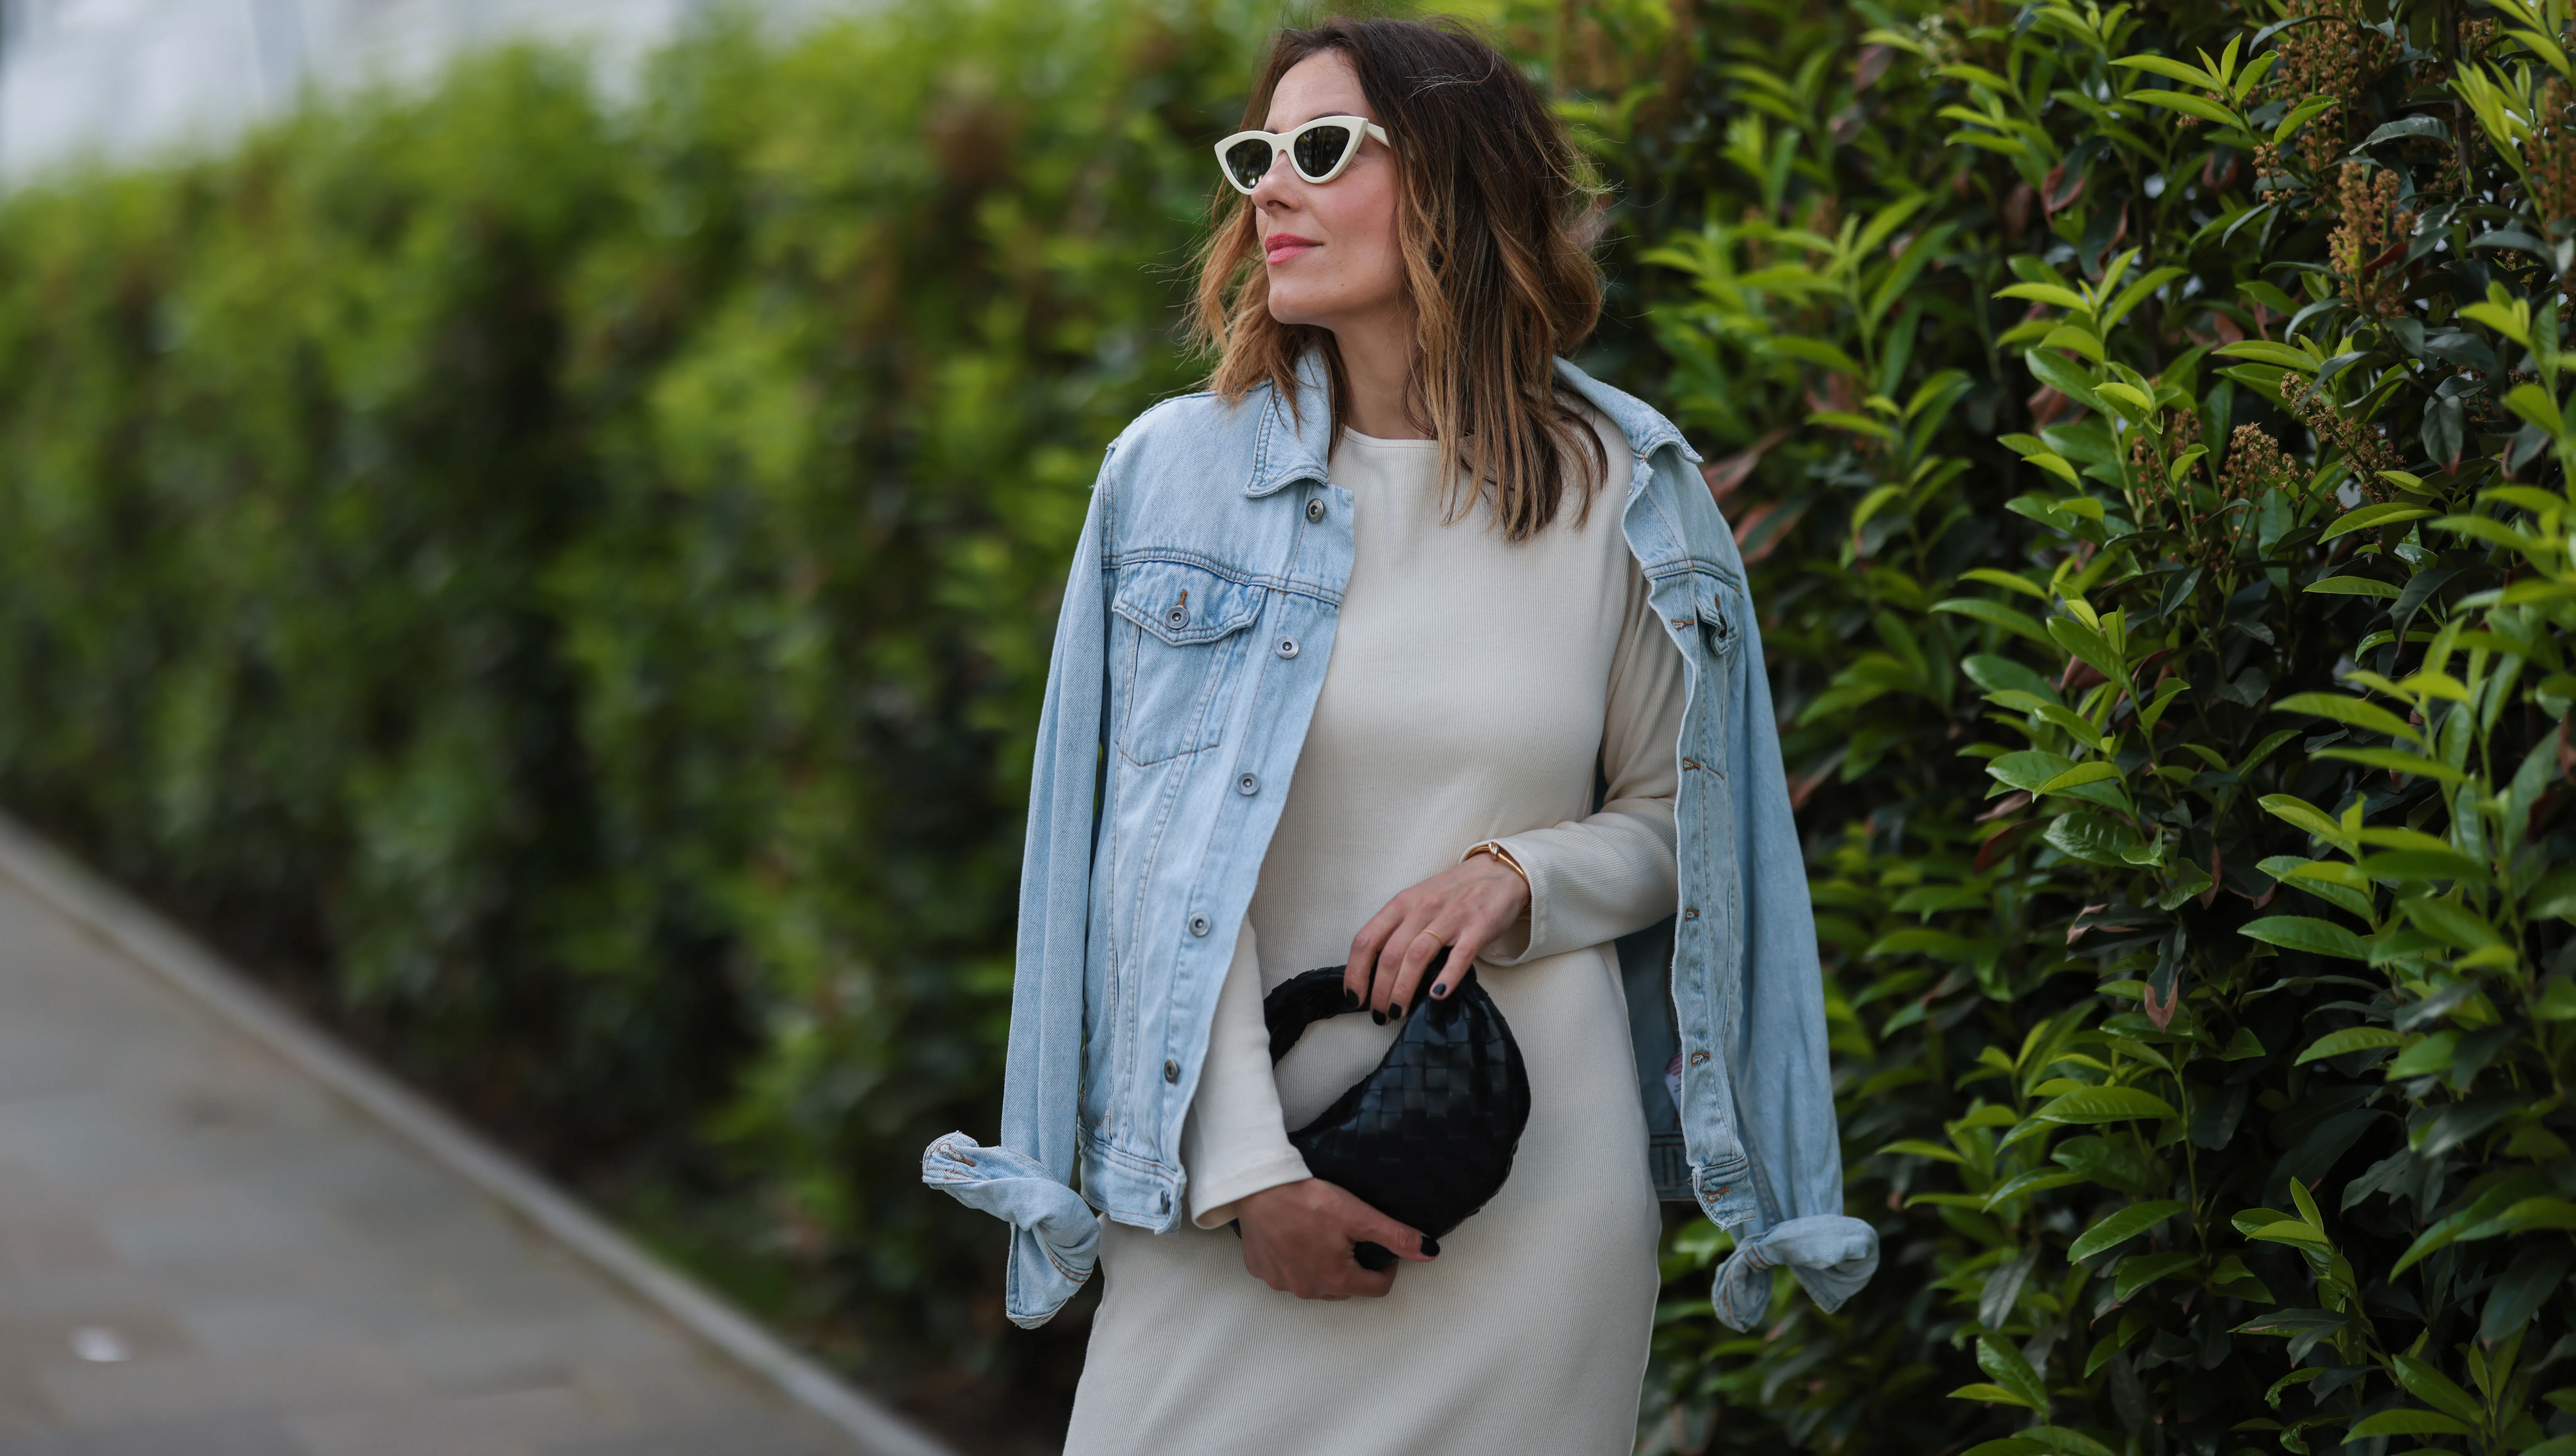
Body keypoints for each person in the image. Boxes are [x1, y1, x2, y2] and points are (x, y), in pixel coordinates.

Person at [924, 16, 1877, 1453]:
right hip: (1221, 1193)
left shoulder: (1622, 491)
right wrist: (1250, 1177)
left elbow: (1689, 828)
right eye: (1256, 158)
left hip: (1528, 1213)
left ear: (1452, 178)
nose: (1270, 191)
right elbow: (1140, 861)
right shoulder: (1173, 482)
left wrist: (1517, 872)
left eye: (1319, 151)